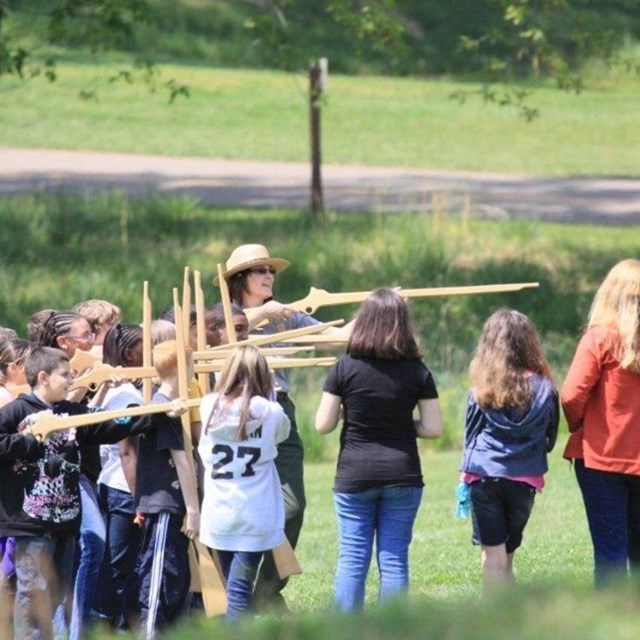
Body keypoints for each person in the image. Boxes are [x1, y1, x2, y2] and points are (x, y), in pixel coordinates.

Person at [218, 243, 351, 611]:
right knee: (235, 511)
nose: (268, 276)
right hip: (236, 416)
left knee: (292, 506)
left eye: (270, 270)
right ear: (240, 278)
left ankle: (266, 591)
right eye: (260, 270)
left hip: (280, 410)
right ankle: (231, 594)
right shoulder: (225, 316)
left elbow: (334, 336)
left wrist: (378, 310)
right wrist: (260, 315)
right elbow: (221, 334)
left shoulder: (287, 316)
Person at [0, 346, 149, 640]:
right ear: (43, 376)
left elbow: (109, 422)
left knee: (56, 594)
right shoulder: (16, 411)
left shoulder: (71, 412)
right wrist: (31, 442)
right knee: (33, 594)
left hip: (66, 522)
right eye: (65, 375)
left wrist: (152, 414)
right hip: (31, 522)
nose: (71, 380)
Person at [315, 288, 442, 611]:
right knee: (395, 559)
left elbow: (323, 424)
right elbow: (433, 428)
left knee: (353, 557)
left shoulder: (344, 367)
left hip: (355, 475)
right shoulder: (418, 370)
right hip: (403, 473)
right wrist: (400, 423)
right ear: (402, 323)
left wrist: (354, 415)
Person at [458, 308, 558, 595]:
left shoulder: (481, 388)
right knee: (507, 555)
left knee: (493, 558)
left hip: (485, 476)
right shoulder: (545, 388)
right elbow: (549, 436)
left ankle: (496, 623)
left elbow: (471, 434)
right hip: (525, 479)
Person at [562, 258, 640, 586]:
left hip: (602, 460)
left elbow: (570, 395)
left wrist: (581, 425)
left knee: (609, 553)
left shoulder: (599, 338)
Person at [198, 345, 290, 621]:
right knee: (239, 593)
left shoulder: (208, 405)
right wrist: (272, 391)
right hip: (256, 512)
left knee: (234, 590)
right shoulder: (271, 411)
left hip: (220, 512)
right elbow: (282, 434)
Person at [134, 340, 198, 638]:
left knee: (176, 575)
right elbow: (182, 462)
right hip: (164, 504)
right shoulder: (163, 409)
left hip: (168, 504)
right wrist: (194, 509)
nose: (195, 370)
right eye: (192, 364)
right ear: (181, 369)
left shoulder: (169, 407)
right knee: (159, 573)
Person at [93, 324, 145, 631]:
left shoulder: (120, 389)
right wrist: (140, 499)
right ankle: (106, 625)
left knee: (118, 563)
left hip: (112, 484)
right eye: (145, 345)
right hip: (124, 488)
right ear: (128, 354)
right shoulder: (127, 396)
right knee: (118, 565)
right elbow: (129, 452)